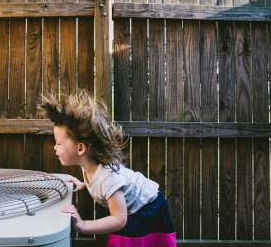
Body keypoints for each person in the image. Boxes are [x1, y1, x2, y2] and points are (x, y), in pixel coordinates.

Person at [38, 89, 176, 246]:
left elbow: (119, 219)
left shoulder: (108, 178)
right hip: (130, 209)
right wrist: (83, 185)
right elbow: (98, 183)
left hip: (147, 208)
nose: (54, 147)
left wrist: (83, 225)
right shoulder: (89, 164)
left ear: (81, 148)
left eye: (59, 143)